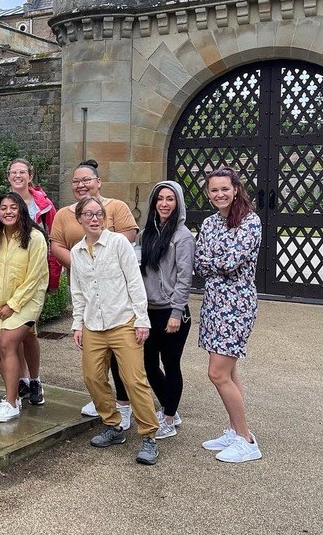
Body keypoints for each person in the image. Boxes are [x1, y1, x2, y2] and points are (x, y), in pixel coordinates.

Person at [70, 196, 160, 465]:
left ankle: (149, 437)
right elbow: (78, 292)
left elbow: (135, 282)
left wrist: (142, 319)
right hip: (93, 326)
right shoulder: (76, 252)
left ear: (105, 218)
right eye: (88, 214)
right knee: (92, 377)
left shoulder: (119, 243)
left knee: (134, 380)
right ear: (80, 219)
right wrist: (77, 324)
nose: (94, 219)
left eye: (99, 214)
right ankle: (113, 425)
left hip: (123, 322)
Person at [50, 159, 138, 425]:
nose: (81, 185)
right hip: (85, 287)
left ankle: (124, 403)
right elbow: (56, 245)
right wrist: (81, 263)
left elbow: (128, 236)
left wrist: (99, 260)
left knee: (121, 356)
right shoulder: (65, 214)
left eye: (86, 179)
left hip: (114, 291)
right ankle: (105, 400)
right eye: (76, 181)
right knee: (95, 358)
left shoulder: (116, 207)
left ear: (98, 182)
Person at [194, 167, 263, 463]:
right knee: (230, 371)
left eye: (224, 188)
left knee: (217, 373)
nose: (219, 194)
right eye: (214, 190)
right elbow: (200, 262)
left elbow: (231, 262)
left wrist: (215, 262)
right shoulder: (210, 222)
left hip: (237, 304)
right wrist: (215, 262)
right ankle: (236, 430)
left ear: (236, 189)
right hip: (213, 303)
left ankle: (246, 440)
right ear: (208, 195)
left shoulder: (250, 221)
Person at [0, 192, 48, 423]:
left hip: (26, 301)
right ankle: (12, 396)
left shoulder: (34, 237)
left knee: (8, 342)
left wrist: (13, 305)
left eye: (13, 207)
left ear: (21, 209)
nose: (8, 212)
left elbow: (35, 277)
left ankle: (11, 405)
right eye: (3, 208)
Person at [140, 181, 195, 439]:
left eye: (170, 199)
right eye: (160, 198)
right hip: (149, 310)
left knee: (171, 364)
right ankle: (169, 405)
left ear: (178, 203)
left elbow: (184, 278)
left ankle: (169, 418)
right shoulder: (147, 233)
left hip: (172, 312)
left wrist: (175, 313)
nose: (164, 203)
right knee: (149, 365)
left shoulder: (182, 237)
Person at [6, 157, 58, 405]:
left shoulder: (43, 206)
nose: (18, 176)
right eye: (14, 172)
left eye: (22, 172)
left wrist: (53, 276)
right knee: (11, 332)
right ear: (8, 176)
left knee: (27, 332)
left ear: (30, 176)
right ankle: (21, 380)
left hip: (33, 276)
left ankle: (35, 379)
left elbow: (54, 240)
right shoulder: (4, 204)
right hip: (9, 276)